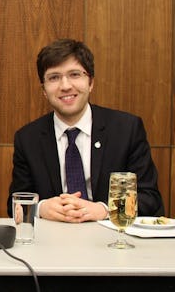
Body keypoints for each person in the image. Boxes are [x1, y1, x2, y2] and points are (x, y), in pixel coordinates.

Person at [8, 39, 164, 222]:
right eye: (54, 77)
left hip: (112, 241)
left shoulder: (126, 129)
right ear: (44, 90)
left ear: (90, 82)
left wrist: (106, 210)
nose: (65, 85)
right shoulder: (28, 139)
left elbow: (149, 198)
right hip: (52, 241)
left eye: (74, 74)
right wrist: (40, 207)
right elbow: (15, 205)